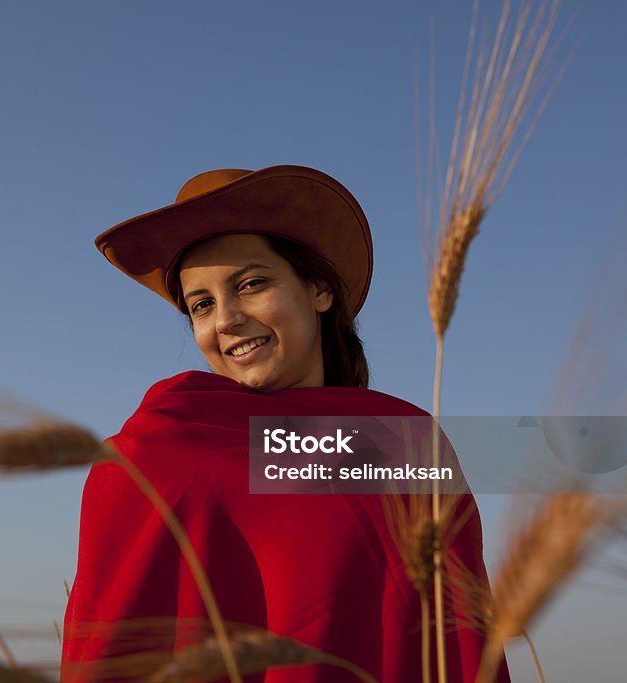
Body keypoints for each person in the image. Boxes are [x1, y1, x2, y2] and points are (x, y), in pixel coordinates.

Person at [61, 165, 508, 682]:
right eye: (201, 305)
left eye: (250, 284)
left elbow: (455, 639)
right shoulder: (160, 443)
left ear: (319, 289)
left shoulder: (403, 440)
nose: (225, 320)